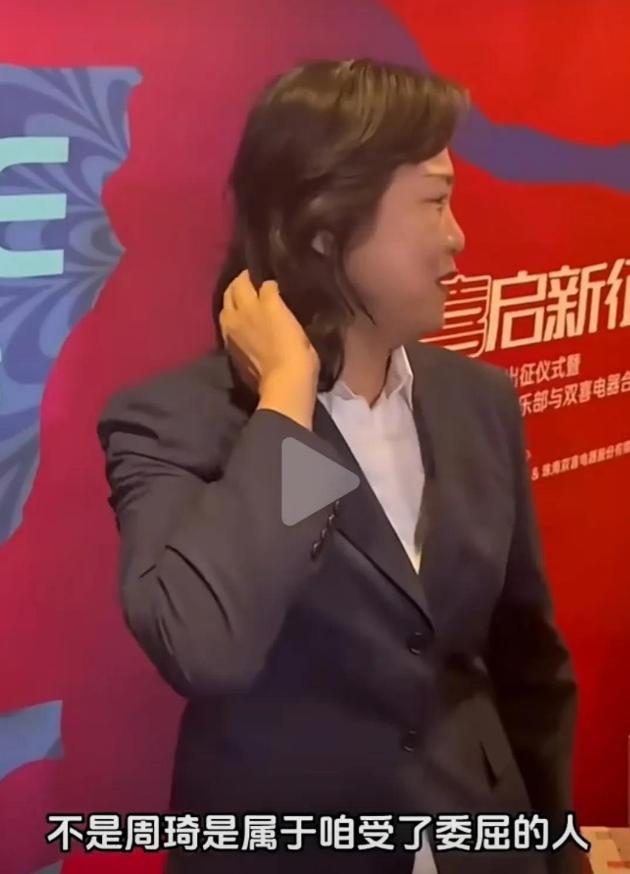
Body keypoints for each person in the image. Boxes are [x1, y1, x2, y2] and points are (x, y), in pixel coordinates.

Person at [97, 58, 579, 873]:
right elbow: (206, 645)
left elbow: (526, 661)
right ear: (325, 225)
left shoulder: (478, 400)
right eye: (434, 201)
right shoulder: (178, 421)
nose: (457, 235)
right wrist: (287, 399)